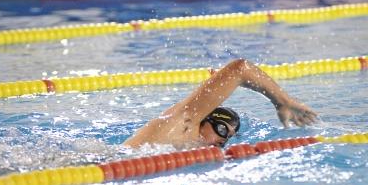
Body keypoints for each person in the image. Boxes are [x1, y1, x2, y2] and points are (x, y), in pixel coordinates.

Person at [124, 58, 317, 149]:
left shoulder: (190, 145)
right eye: (222, 130)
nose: (222, 140)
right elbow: (240, 69)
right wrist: (283, 102)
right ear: (204, 119)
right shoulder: (183, 124)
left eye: (228, 138)